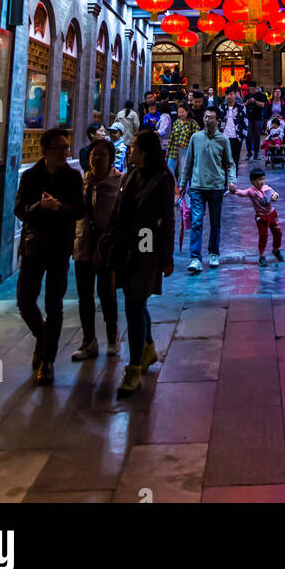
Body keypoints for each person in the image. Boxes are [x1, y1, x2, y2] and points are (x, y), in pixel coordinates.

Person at [105, 130, 175, 397]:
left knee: (134, 301)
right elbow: (119, 211)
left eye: (133, 146)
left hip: (147, 244)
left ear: (144, 151)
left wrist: (166, 256)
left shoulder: (161, 179)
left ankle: (133, 367)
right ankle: (147, 348)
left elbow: (167, 220)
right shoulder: (132, 175)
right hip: (126, 244)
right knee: (135, 300)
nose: (129, 149)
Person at [14, 126, 84, 384]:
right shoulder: (31, 176)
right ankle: (43, 337)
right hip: (33, 247)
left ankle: (48, 361)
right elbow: (20, 210)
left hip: (59, 248)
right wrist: (39, 207)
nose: (65, 153)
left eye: (66, 148)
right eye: (59, 148)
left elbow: (79, 210)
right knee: (25, 301)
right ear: (45, 150)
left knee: (54, 304)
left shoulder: (73, 177)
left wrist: (59, 207)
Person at [72, 136, 122, 361]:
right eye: (94, 154)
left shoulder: (119, 182)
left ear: (111, 158)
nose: (98, 159)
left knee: (106, 293)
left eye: (103, 155)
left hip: (108, 249)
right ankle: (89, 340)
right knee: (84, 296)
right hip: (83, 244)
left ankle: (112, 336)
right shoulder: (80, 182)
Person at [178, 110, 235, 273]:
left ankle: (213, 253)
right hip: (197, 186)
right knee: (196, 221)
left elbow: (230, 163)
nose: (208, 120)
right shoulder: (196, 138)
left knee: (215, 222)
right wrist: (183, 183)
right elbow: (188, 162)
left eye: (211, 117)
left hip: (216, 187)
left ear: (217, 121)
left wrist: (232, 181)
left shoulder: (223, 140)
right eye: (205, 117)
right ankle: (195, 258)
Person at [230, 168, 283, 266]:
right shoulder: (251, 191)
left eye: (263, 179)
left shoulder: (266, 188)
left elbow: (274, 193)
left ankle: (276, 249)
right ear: (253, 181)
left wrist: (275, 196)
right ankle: (261, 256)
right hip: (261, 218)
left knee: (278, 233)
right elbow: (242, 193)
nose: (262, 181)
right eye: (259, 179)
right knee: (263, 236)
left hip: (272, 214)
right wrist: (234, 190)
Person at [219, 88, 248, 174]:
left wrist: (243, 136)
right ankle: (224, 182)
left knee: (235, 160)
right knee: (223, 160)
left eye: (231, 94)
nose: (229, 96)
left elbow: (245, 122)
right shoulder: (222, 107)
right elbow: (218, 121)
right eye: (227, 95)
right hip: (224, 137)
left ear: (235, 95)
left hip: (236, 138)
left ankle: (233, 181)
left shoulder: (241, 107)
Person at [166, 102, 199, 178]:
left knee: (183, 171)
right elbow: (172, 137)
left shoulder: (192, 123)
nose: (180, 114)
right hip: (174, 148)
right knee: (169, 169)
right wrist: (168, 149)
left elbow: (197, 137)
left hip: (185, 149)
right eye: (179, 112)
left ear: (187, 112)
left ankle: (183, 188)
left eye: (182, 112)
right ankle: (174, 186)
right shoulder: (176, 123)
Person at [245, 82, 268, 161]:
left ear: (256, 88)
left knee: (257, 136)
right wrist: (248, 102)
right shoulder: (247, 96)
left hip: (257, 118)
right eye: (250, 89)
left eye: (252, 89)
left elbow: (263, 105)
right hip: (249, 118)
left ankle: (256, 153)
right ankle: (249, 153)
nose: (251, 91)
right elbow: (242, 105)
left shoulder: (261, 95)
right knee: (248, 135)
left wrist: (255, 101)